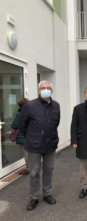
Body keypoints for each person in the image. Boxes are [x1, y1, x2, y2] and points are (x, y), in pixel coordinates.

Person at [18, 81, 60, 211]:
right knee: (34, 172)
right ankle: (34, 197)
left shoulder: (56, 105)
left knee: (48, 170)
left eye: (48, 88)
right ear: (39, 90)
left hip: (50, 143)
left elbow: (56, 122)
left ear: (52, 91)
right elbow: (22, 125)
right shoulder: (30, 106)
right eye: (43, 88)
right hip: (34, 145)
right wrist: (32, 137)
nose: (46, 90)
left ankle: (47, 194)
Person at [11, 97, 30, 175]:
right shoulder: (32, 111)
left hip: (23, 135)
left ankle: (29, 168)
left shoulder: (20, 113)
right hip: (31, 135)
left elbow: (14, 125)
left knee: (26, 152)